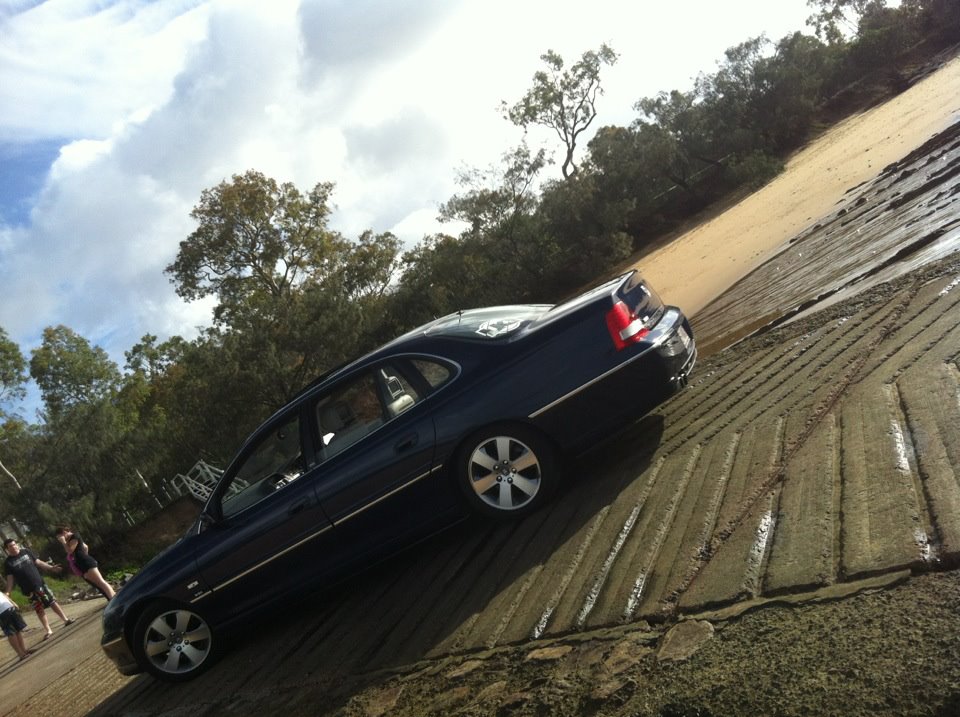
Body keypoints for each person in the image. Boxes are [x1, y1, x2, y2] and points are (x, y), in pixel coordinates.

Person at [2, 538, 73, 640]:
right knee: (39, 609)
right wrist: (8, 592)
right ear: (7, 549)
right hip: (28, 590)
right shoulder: (8, 563)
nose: (14, 547)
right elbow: (10, 579)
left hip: (40, 583)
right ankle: (48, 630)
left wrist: (51, 568)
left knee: (52, 601)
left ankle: (66, 620)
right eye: (10, 546)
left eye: (14, 544)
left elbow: (38, 562)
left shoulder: (26, 552)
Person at [53, 527, 115, 600]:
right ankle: (111, 599)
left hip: (86, 562)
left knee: (101, 582)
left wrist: (63, 542)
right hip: (81, 563)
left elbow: (70, 551)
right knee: (98, 584)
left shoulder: (74, 536)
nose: (59, 539)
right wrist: (84, 555)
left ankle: (114, 598)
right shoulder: (71, 539)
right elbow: (85, 547)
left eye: (59, 537)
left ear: (64, 532)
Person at [0, 590, 31, 660]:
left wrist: (12, 602)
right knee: (10, 633)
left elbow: (3, 594)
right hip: (1, 613)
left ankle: (24, 650)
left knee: (18, 630)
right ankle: (20, 654)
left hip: (9, 607)